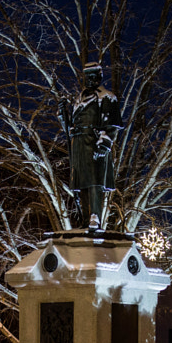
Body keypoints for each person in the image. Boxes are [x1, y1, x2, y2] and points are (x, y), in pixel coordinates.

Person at [59, 62, 123, 229]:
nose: (90, 80)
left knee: (95, 181)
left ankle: (95, 215)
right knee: (83, 183)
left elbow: (113, 125)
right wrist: (63, 117)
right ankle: (86, 218)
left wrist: (105, 143)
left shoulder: (106, 97)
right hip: (79, 144)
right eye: (87, 77)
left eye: (94, 76)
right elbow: (71, 127)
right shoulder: (78, 99)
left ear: (100, 77)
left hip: (95, 142)